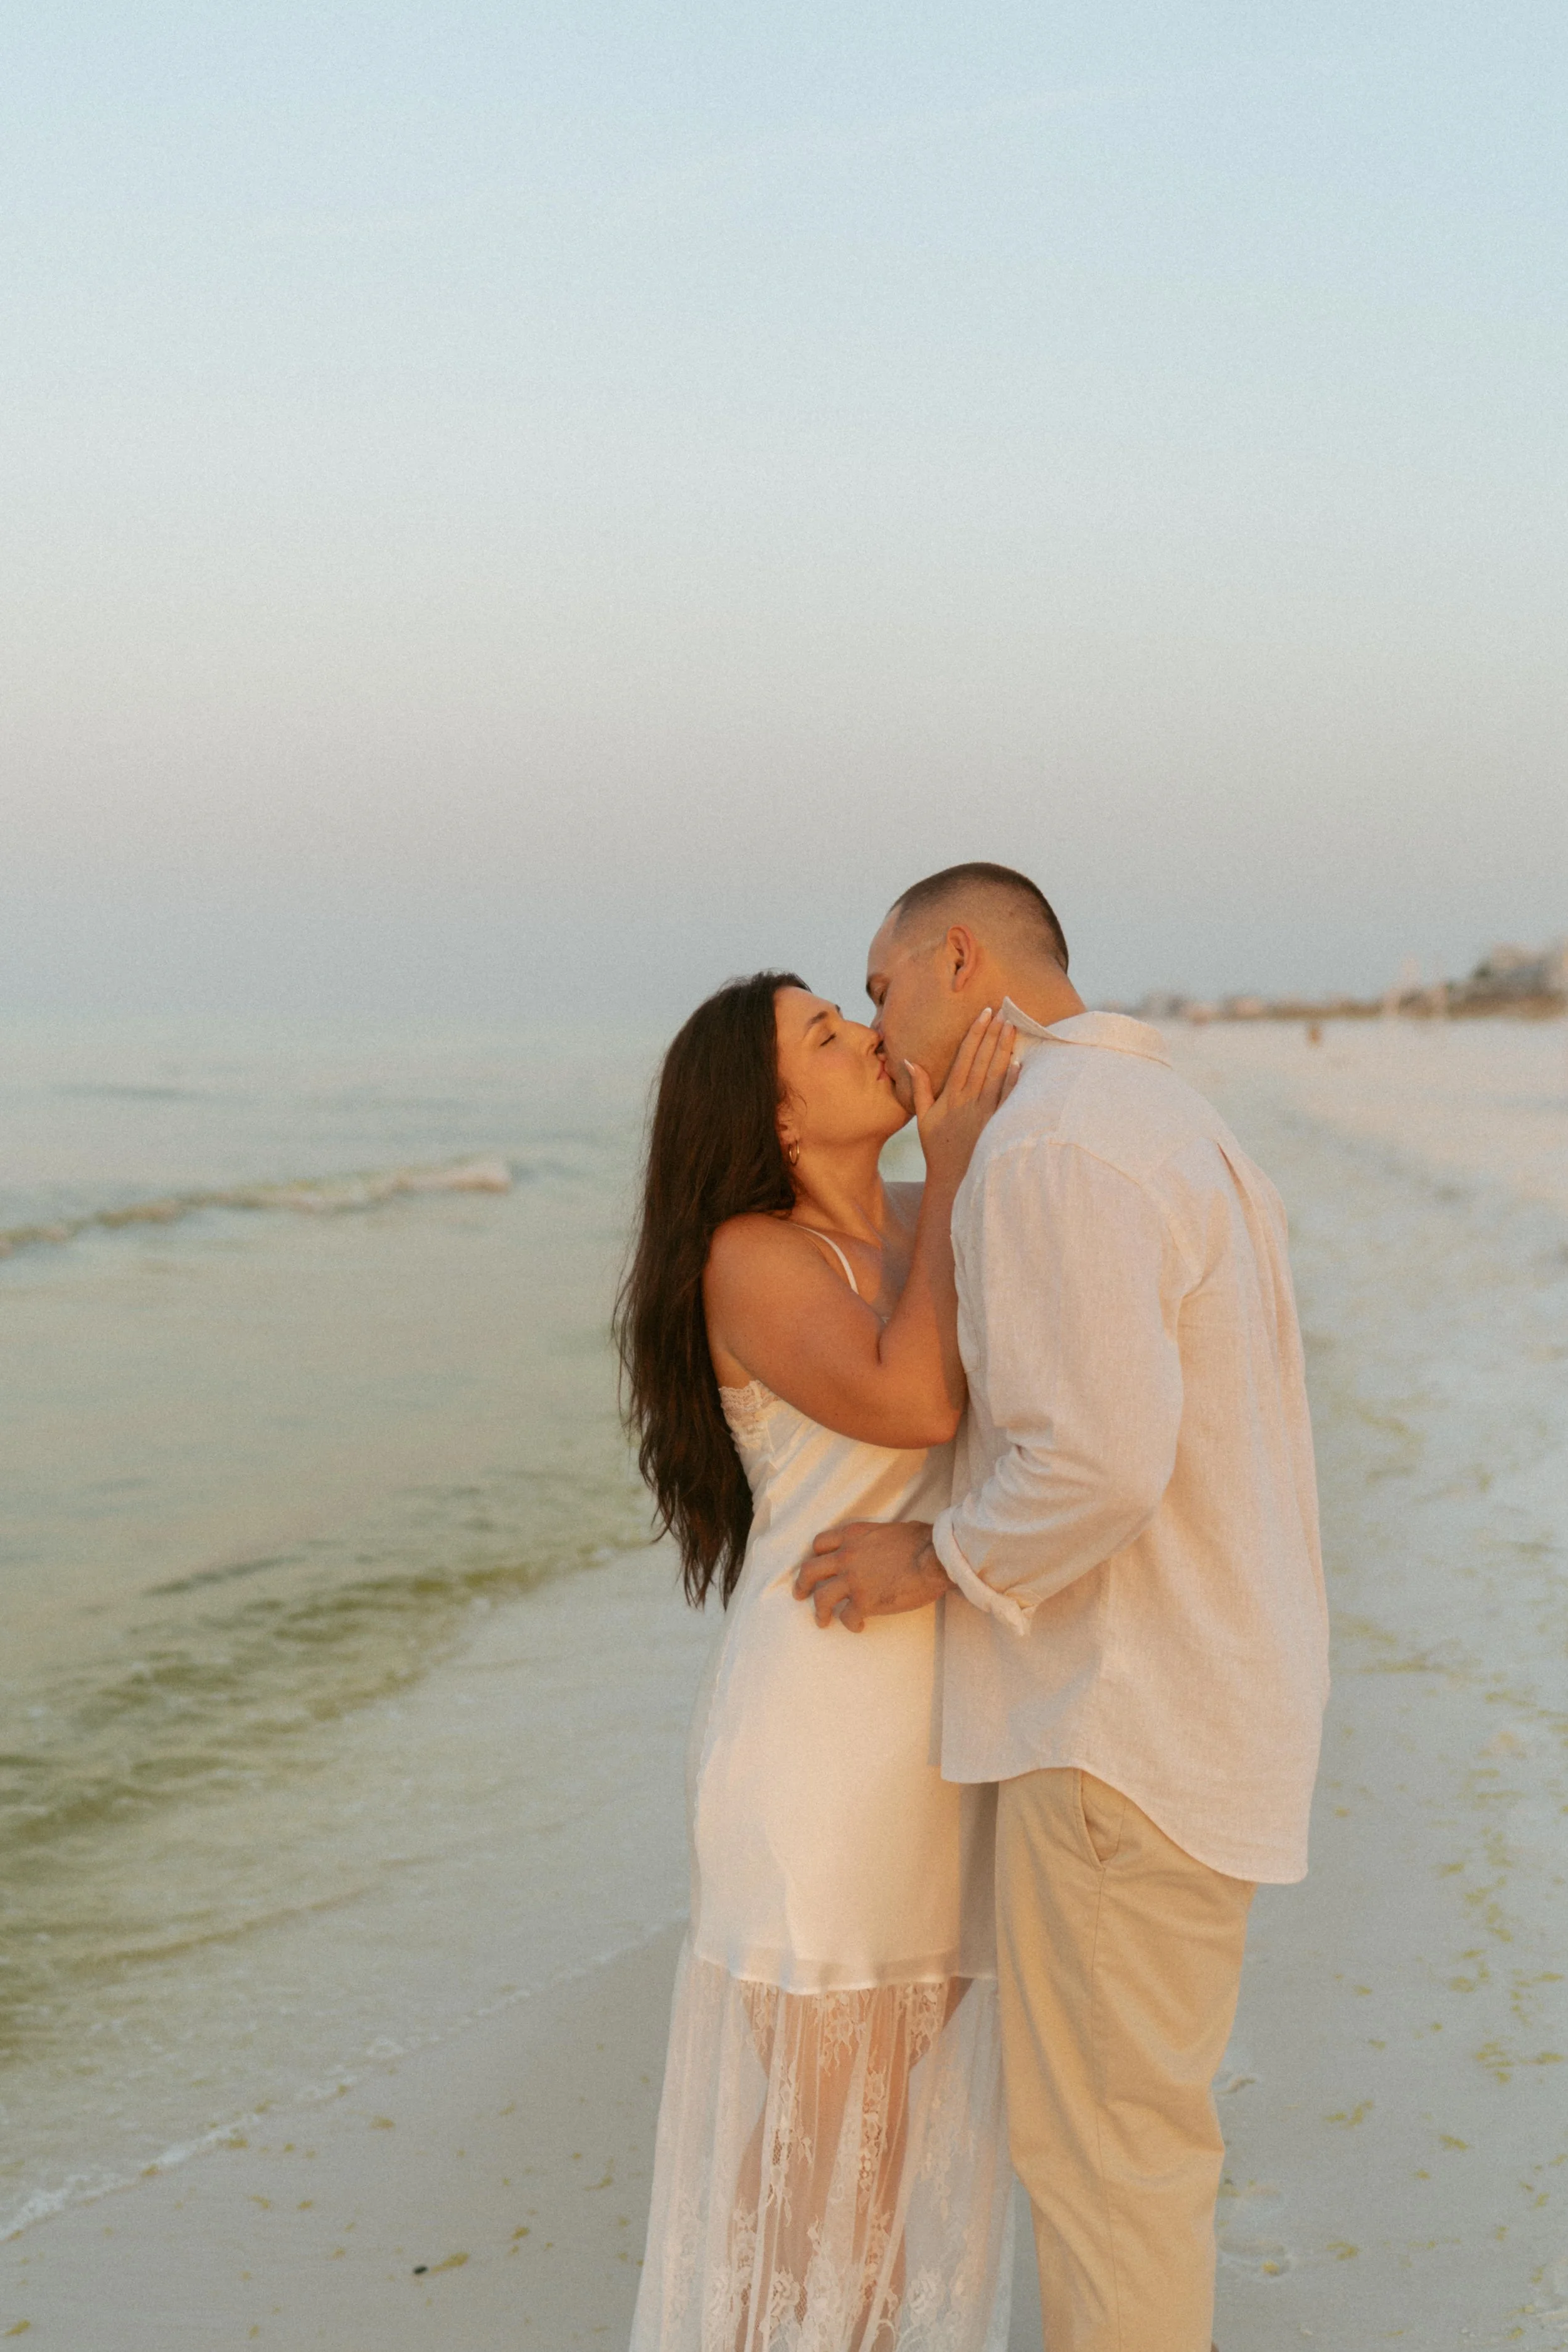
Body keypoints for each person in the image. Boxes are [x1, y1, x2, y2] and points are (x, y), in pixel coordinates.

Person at [798, 863, 1330, 2352]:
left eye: (883, 982)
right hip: (1193, 1700)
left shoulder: (1055, 1147)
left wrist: (938, 1561)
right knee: (1135, 2155)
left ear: (959, 957)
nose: (876, 1021)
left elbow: (1093, 1461)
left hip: (1119, 1722)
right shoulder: (1152, 1117)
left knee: (1105, 2175)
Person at [619, 971, 1021, 2352]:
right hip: (821, 1732)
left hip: (946, 1721)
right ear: (775, 1115)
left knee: (890, 2128)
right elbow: (913, 1401)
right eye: (823, 1034)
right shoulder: (751, 1253)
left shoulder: (921, 1220)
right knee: (822, 2128)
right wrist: (960, 1154)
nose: (864, 1036)